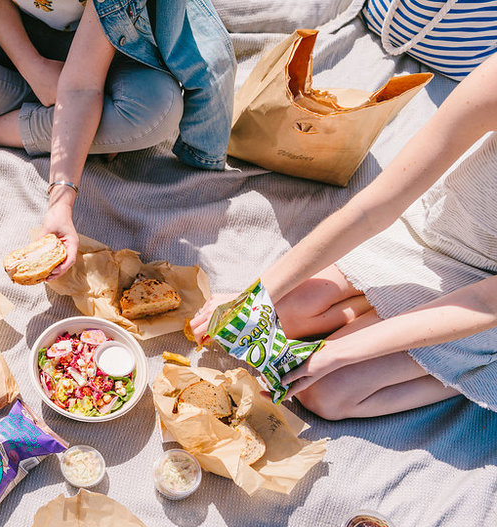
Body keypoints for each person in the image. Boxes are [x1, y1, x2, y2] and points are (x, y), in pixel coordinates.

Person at [190, 55, 497, 420]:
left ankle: (472, 371)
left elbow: (484, 303)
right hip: (431, 229)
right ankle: (377, 306)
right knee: (277, 319)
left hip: (483, 298)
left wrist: (337, 353)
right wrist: (255, 296)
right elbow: (375, 206)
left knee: (326, 393)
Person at [0, 0, 234, 276]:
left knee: (159, 112)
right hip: (7, 28)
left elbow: (81, 85)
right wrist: (33, 68)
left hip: (117, 41)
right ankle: (80, 125)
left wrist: (60, 203)